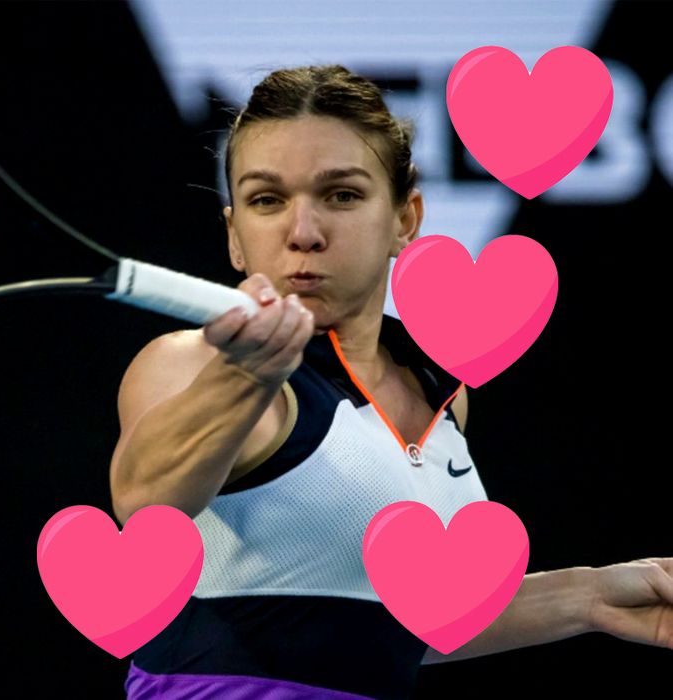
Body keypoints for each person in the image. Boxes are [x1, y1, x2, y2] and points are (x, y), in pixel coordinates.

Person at [108, 64, 672, 700]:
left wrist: (594, 596)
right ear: (234, 235)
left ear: (406, 218)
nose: (303, 233)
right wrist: (247, 376)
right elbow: (145, 507)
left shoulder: (440, 391)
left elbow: (389, 626)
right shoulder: (192, 363)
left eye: (342, 196)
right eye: (267, 200)